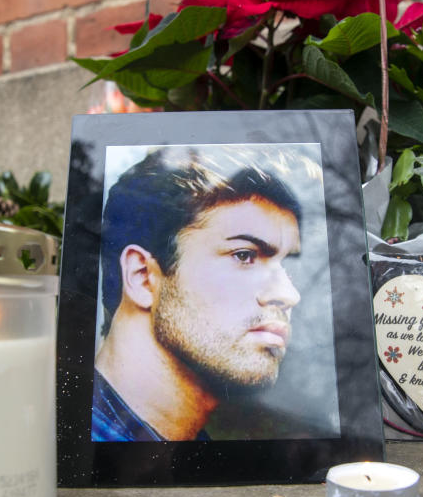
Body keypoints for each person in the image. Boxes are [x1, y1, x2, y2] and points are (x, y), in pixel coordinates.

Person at [92, 149, 303, 441]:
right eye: (244, 255)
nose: (289, 294)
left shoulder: (179, 448)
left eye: (286, 266)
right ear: (141, 276)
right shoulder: (77, 449)